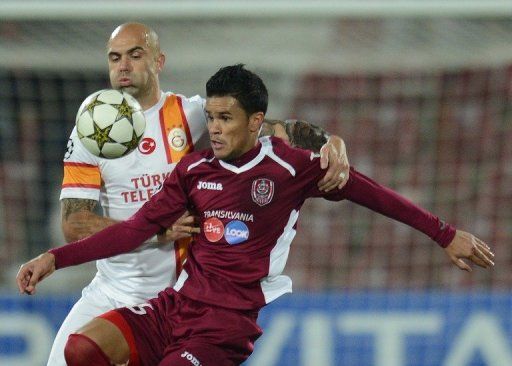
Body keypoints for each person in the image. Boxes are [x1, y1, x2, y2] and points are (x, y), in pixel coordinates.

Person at [17, 64, 494, 366]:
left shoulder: (291, 167)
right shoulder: (194, 169)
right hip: (175, 307)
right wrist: (55, 259)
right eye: (214, 117)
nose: (216, 129)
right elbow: (136, 231)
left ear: (255, 122)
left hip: (225, 325)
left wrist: (445, 234)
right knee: (83, 349)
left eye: (227, 119)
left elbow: (376, 195)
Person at [47, 23, 350, 366]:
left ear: (159, 61)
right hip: (112, 292)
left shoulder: (193, 115)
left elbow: (277, 130)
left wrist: (332, 144)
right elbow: (74, 225)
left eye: (135, 55)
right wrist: (155, 232)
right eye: (115, 58)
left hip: (182, 302)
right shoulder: (90, 131)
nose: (124, 66)